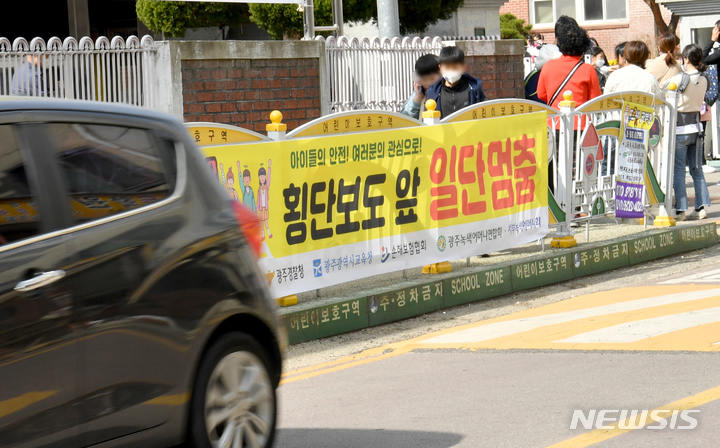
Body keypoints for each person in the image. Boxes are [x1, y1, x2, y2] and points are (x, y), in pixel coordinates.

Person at [666, 44, 711, 221]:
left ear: (686, 59)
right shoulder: (704, 79)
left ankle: (681, 210)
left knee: (679, 171)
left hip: (680, 129)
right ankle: (700, 208)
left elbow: (665, 94)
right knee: (697, 170)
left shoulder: (679, 78)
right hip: (697, 128)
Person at [537, 16, 601, 113]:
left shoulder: (547, 66)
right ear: (583, 48)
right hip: (580, 123)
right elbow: (595, 99)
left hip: (554, 122)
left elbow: (541, 94)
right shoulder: (588, 69)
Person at [426, 46, 487, 119]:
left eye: (455, 67)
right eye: (447, 67)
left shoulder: (474, 89)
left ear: (463, 67)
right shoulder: (433, 92)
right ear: (440, 68)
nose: (451, 70)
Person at [401, 54, 441, 119]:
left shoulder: (444, 91)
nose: (428, 83)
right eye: (424, 79)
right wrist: (417, 97)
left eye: (432, 78)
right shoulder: (420, 92)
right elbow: (405, 117)